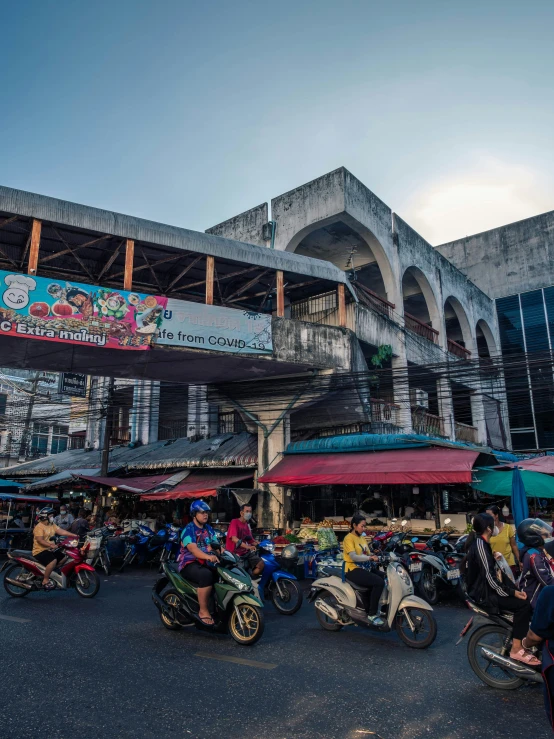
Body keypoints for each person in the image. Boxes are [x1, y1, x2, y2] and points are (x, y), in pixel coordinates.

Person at [465, 513, 539, 666]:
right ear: (488, 528)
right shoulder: (480, 545)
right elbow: (490, 578)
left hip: (488, 590)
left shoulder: (484, 544)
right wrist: (512, 593)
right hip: (484, 594)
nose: (496, 527)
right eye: (493, 524)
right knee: (523, 605)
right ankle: (516, 648)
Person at [177, 500, 219, 625]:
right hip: (189, 563)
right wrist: (208, 556)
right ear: (194, 514)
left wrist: (230, 555)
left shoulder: (209, 529)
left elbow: (217, 545)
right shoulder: (188, 530)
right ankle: (203, 611)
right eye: (202, 512)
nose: (205, 515)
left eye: (206, 512)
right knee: (206, 575)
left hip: (206, 561)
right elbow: (194, 550)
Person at [343, 514, 385, 626]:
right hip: (353, 569)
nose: (364, 528)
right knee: (378, 582)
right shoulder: (348, 538)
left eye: (365, 526)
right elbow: (354, 557)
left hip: (365, 567)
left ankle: (377, 606)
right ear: (354, 525)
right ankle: (372, 614)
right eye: (362, 526)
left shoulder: (361, 537)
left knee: (384, 577)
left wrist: (374, 554)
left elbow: (365, 553)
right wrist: (370, 557)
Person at [32, 506, 76, 590]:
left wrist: (73, 535)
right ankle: (45, 580)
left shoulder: (51, 524)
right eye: (50, 516)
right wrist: (51, 545)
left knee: (64, 557)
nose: (52, 517)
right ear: (45, 517)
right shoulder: (39, 527)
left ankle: (51, 573)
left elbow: (61, 531)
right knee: (53, 561)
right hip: (40, 551)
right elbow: (40, 540)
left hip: (49, 549)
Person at [518, 518, 554, 609]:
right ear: (535, 539)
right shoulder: (534, 556)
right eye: (545, 535)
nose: (549, 537)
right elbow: (548, 581)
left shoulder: (536, 552)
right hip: (534, 600)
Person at [226, 504, 264, 578]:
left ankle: (251, 579)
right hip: (235, 554)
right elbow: (234, 539)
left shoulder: (246, 525)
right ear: (241, 513)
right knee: (240, 575)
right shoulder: (234, 522)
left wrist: (261, 544)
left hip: (245, 552)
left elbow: (251, 540)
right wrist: (248, 547)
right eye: (247, 511)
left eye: (250, 511)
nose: (249, 513)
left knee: (261, 564)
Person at [486, 505, 520, 575]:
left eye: (489, 515)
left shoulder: (508, 528)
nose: (487, 517)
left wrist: (520, 560)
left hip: (509, 563)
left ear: (496, 515)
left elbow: (513, 545)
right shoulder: (486, 530)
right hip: (494, 564)